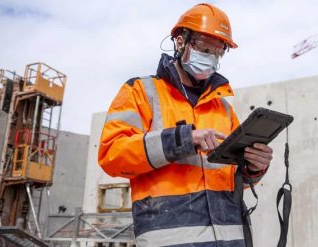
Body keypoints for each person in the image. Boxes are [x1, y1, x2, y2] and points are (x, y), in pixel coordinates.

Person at [98, 3, 273, 247]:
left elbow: (234, 182)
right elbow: (112, 155)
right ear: (180, 42)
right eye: (204, 48)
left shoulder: (222, 108)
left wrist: (253, 168)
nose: (210, 58)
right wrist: (181, 140)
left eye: (217, 52)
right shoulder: (140, 92)